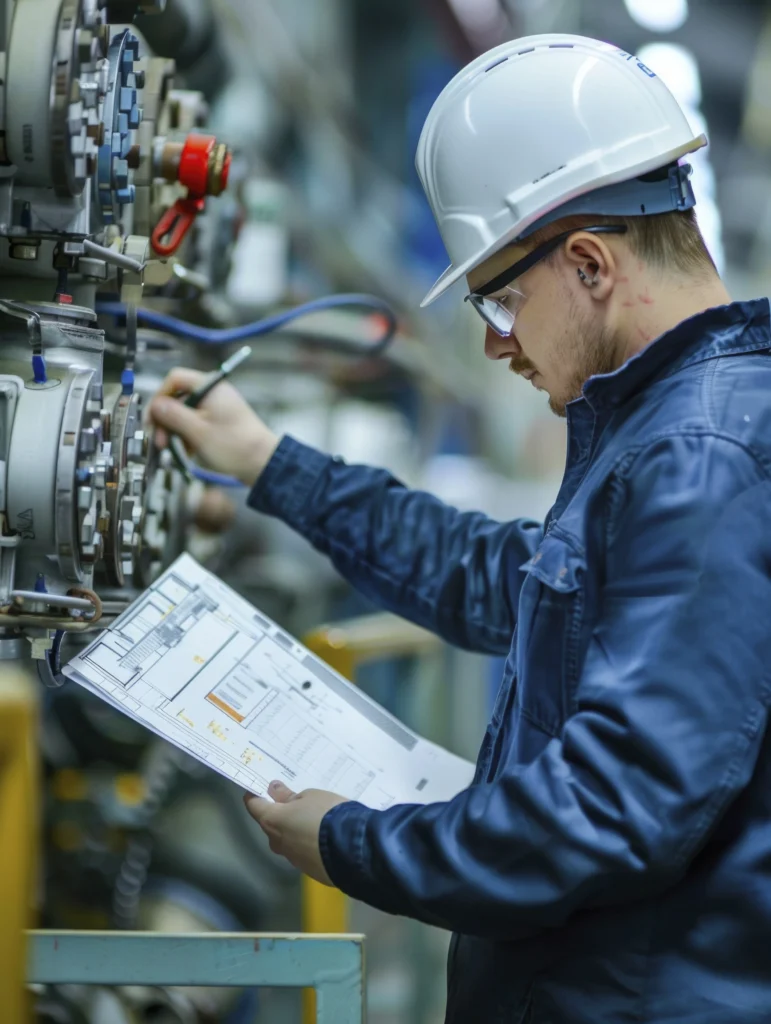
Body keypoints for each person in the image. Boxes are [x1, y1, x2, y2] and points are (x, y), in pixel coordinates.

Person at [148, 33, 771, 1024]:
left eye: (500, 298)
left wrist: (354, 843)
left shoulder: (699, 455)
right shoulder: (668, 427)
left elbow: (607, 810)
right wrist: (273, 464)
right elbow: (506, 580)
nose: (493, 341)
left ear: (588, 264)